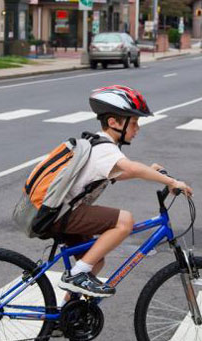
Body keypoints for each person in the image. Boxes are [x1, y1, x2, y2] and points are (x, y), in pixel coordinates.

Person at [48, 85, 193, 297]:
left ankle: (64, 316)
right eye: (133, 122)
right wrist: (172, 181)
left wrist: (151, 171)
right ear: (113, 123)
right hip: (63, 214)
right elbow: (130, 167)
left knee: (94, 260)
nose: (138, 128)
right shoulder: (104, 147)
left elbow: (120, 172)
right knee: (125, 221)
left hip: (61, 212)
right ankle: (77, 274)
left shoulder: (99, 144)